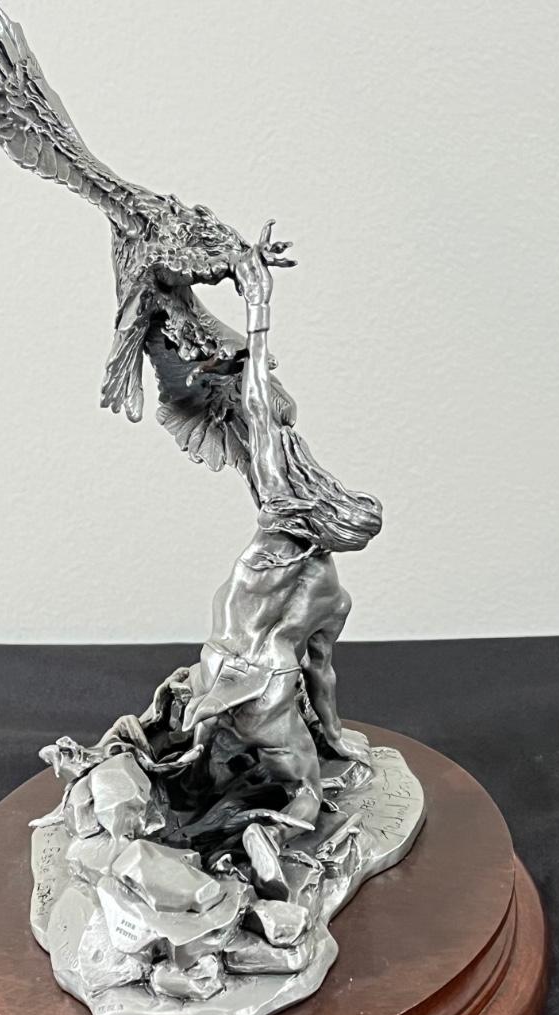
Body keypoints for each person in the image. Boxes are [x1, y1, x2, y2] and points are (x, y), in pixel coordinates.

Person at [181, 223, 381, 858]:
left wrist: (259, 304)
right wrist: (336, 734)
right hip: (261, 676)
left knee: (220, 769)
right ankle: (262, 818)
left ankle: (221, 806)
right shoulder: (325, 580)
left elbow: (261, 409)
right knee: (300, 785)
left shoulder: (278, 501)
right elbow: (321, 668)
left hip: (230, 664)